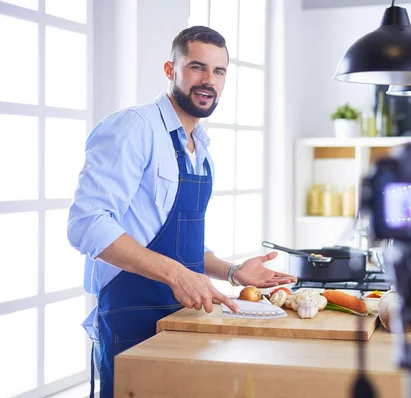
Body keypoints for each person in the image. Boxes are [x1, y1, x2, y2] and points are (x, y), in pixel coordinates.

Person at [67, 25, 296, 398]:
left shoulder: (199, 148)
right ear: (170, 70)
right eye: (197, 67)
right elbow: (86, 225)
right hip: (133, 319)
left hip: (186, 320)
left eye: (219, 71)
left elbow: (173, 242)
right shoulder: (135, 128)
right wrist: (175, 274)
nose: (209, 80)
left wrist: (233, 272)